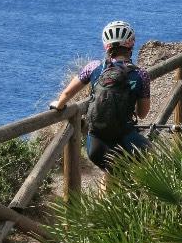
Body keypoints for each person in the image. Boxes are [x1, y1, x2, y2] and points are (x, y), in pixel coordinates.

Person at [49, 20, 152, 171]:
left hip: (96, 143)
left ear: (106, 46)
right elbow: (142, 114)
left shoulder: (93, 67)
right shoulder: (141, 75)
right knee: (153, 158)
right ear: (131, 45)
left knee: (110, 172)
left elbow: (66, 93)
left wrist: (59, 105)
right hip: (127, 138)